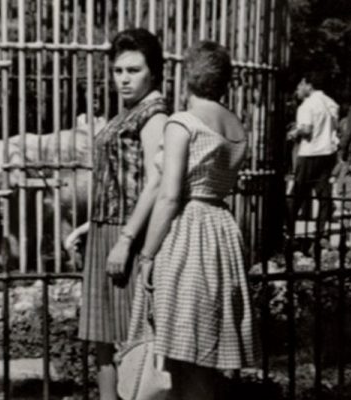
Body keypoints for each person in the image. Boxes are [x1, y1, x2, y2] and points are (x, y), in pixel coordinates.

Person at [127, 40, 259, 399]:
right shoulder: (236, 126)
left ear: (187, 76)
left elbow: (169, 196)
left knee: (179, 347)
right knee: (207, 346)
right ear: (225, 80)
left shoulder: (182, 123)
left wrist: (148, 254)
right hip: (222, 230)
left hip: (187, 231)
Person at [64, 28, 168, 400]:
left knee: (134, 338)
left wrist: (125, 241)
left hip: (132, 234)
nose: (124, 78)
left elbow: (156, 183)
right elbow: (114, 180)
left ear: (153, 72)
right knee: (103, 340)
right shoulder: (129, 111)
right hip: (106, 229)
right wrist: (89, 226)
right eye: (118, 70)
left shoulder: (154, 114)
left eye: (134, 70)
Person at [286, 73, 340, 235]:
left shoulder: (306, 106)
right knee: (323, 195)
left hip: (309, 153)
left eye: (299, 86)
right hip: (326, 153)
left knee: (297, 194)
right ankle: (321, 230)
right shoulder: (330, 103)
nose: (298, 90)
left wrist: (294, 132)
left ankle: (289, 230)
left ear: (307, 84)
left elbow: (307, 129)